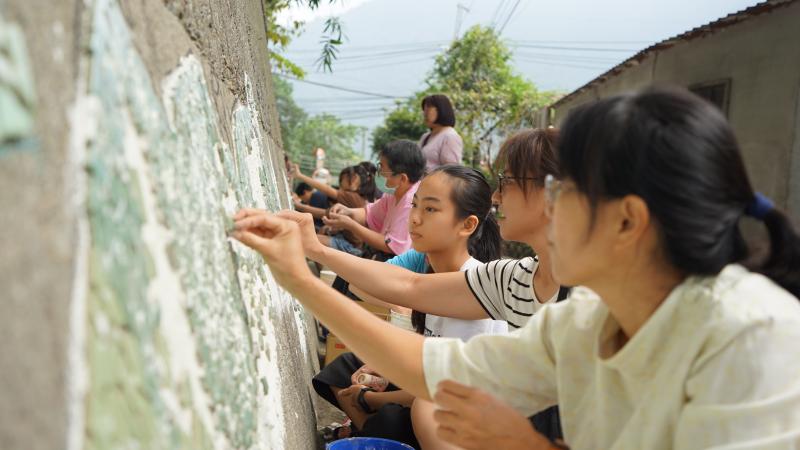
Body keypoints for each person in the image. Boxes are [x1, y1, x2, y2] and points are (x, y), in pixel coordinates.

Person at [233, 86, 800, 449]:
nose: (544, 206)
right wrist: (302, 277)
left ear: (627, 221)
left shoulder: (753, 336)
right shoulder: (585, 321)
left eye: (562, 188)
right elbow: (438, 364)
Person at [300, 129, 572, 442]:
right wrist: (315, 252)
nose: (496, 197)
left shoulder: (592, 298)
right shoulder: (514, 278)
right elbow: (408, 285)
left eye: (506, 182)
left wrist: (371, 397)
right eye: (416, 207)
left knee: (428, 405)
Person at [313, 165, 507, 448]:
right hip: (430, 388)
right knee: (347, 368)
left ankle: (365, 429)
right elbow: (425, 353)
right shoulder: (433, 277)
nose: (414, 219)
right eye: (415, 205)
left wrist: (368, 398)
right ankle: (365, 429)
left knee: (401, 415)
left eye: (430, 210)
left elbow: (438, 389)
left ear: (467, 225)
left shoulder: (475, 290)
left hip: (460, 413)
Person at [324, 140, 426, 259]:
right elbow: (369, 213)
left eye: (382, 168)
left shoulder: (411, 201)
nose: (379, 173)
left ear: (402, 178)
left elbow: (390, 246)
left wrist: (351, 225)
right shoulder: (393, 194)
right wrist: (348, 211)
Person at [293, 164, 374, 256]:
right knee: (317, 235)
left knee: (311, 240)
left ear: (354, 178)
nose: (340, 183)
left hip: (352, 247)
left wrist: (300, 176)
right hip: (347, 239)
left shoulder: (352, 196)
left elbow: (326, 190)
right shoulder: (360, 197)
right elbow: (326, 213)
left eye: (342, 179)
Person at [419, 94, 463, 170]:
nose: (425, 113)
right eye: (424, 110)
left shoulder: (450, 137)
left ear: (441, 110)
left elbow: (452, 172)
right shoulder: (425, 137)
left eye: (428, 109)